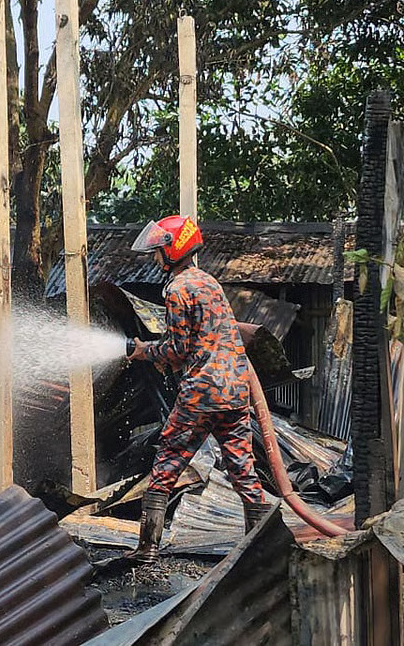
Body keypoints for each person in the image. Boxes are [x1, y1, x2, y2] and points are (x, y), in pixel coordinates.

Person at [123, 215, 265, 564]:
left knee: (168, 460)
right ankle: (261, 549)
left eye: (158, 251)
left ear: (173, 249)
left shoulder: (177, 289)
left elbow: (177, 349)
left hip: (202, 392)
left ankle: (147, 548)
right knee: (243, 468)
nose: (155, 257)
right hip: (235, 390)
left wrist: (144, 351)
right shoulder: (209, 282)